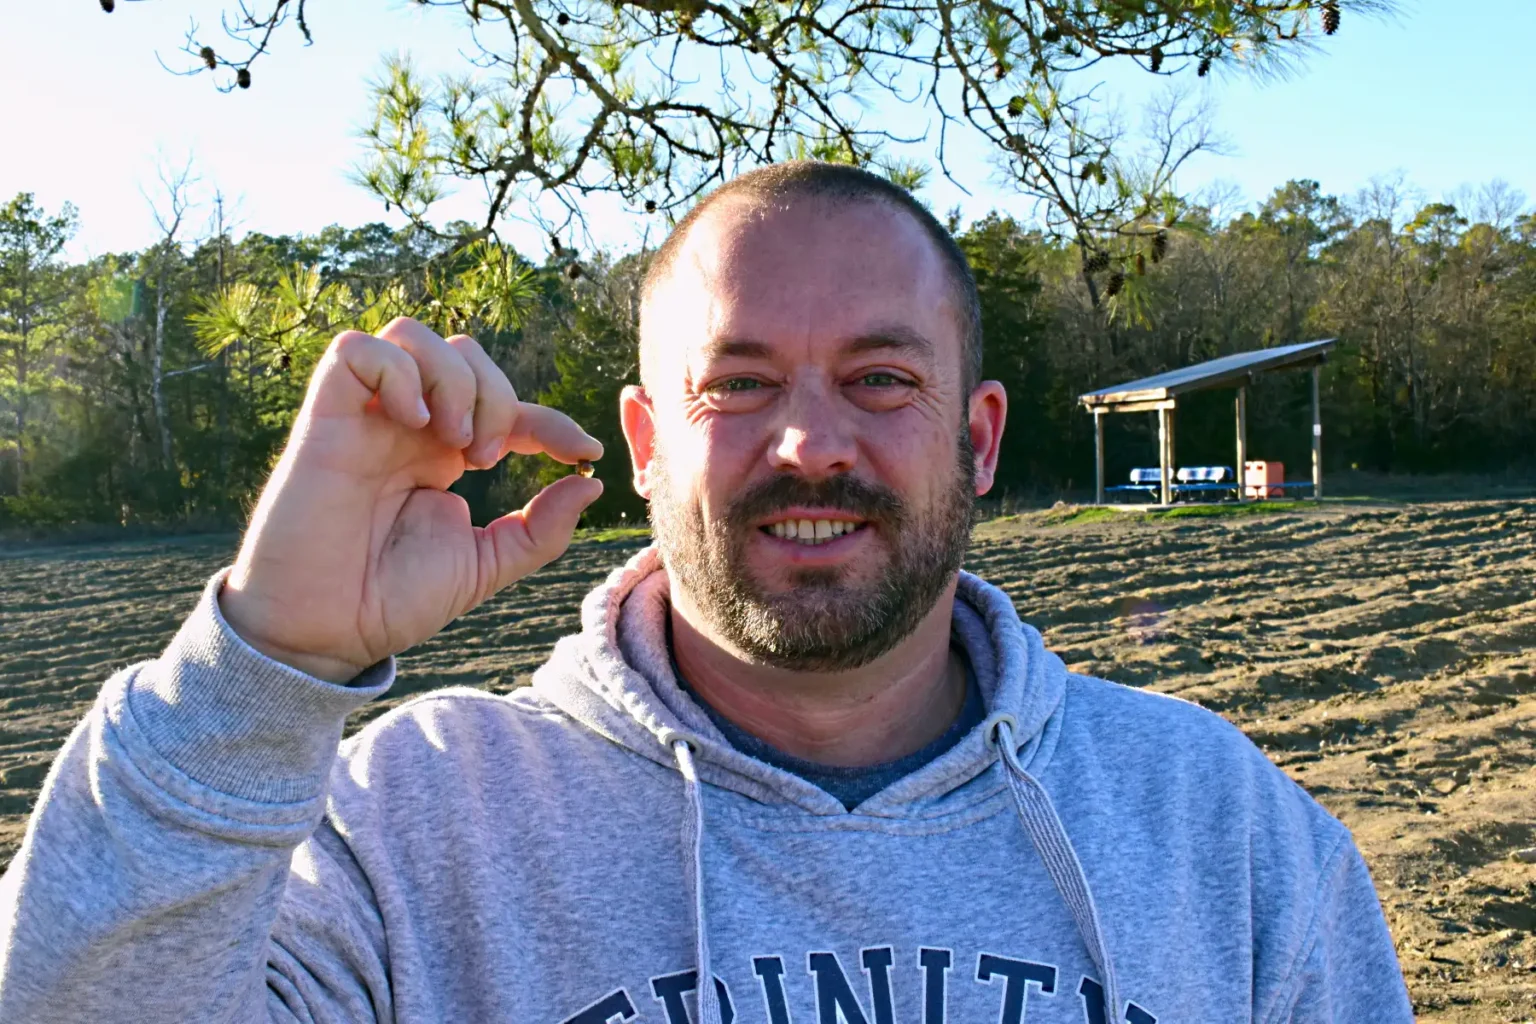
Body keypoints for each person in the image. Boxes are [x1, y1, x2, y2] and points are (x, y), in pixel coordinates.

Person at [0, 161, 1411, 1024]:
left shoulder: (1223, 836)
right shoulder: (410, 832)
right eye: (738, 384)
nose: (810, 441)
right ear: (648, 441)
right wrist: (268, 660)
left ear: (977, 438)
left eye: (880, 380)